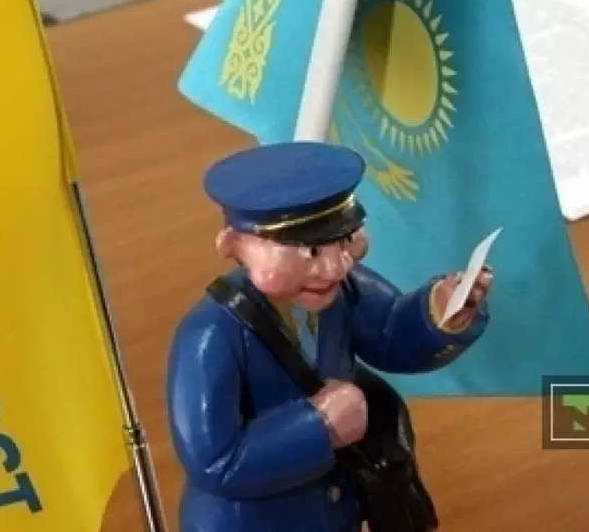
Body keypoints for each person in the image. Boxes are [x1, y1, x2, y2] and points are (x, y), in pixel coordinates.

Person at [165, 141, 493, 532]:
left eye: (346, 240)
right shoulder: (209, 338)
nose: (337, 267)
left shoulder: (342, 292)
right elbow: (216, 461)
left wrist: (439, 311)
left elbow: (390, 334)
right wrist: (318, 427)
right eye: (312, 251)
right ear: (234, 245)